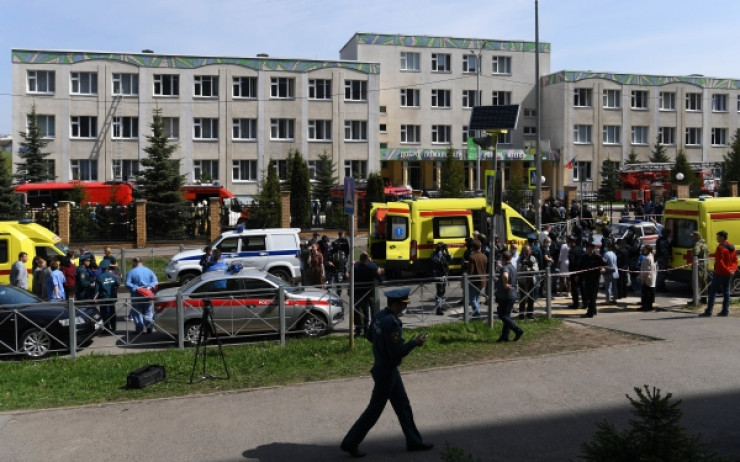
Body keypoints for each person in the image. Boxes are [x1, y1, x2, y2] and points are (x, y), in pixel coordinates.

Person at [340, 288, 432, 458]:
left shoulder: (379, 316)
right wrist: (415, 343)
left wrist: (382, 348)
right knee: (374, 410)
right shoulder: (393, 323)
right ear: (396, 305)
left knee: (403, 406)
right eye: (403, 305)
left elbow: (370, 336)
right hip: (387, 372)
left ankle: (414, 441)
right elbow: (396, 352)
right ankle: (350, 442)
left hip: (384, 367)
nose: (405, 308)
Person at [699, 231, 738, 317]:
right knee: (726, 291)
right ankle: (725, 311)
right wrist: (732, 269)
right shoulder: (731, 247)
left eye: (718, 237)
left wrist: (726, 270)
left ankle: (709, 311)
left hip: (720, 273)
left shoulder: (720, 248)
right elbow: (735, 260)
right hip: (729, 273)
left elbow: (720, 262)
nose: (717, 238)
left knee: (713, 291)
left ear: (722, 237)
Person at [495, 251, 524, 342]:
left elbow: (505, 275)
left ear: (503, 259)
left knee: (502, 315)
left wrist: (504, 284)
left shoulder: (505, 268)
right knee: (507, 316)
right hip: (512, 294)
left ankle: (517, 330)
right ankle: (505, 336)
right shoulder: (513, 267)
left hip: (506, 294)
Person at [126, 257, 159, 334]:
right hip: (147, 294)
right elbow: (155, 281)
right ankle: (149, 327)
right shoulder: (148, 271)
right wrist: (150, 287)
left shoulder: (131, 272)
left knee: (137, 312)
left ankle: (139, 329)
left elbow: (127, 283)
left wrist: (136, 288)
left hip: (136, 295)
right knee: (148, 311)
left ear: (134, 262)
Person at [353, 252, 382, 336]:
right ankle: (370, 328)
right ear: (367, 258)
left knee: (358, 311)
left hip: (357, 292)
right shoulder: (371, 266)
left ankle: (358, 329)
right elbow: (379, 277)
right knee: (371, 310)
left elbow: (349, 276)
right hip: (369, 292)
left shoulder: (355, 266)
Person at [580, 241, 605, 318]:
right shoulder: (584, 257)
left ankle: (590, 312)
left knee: (593, 296)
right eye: (587, 248)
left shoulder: (597, 257)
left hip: (595, 278)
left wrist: (603, 269)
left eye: (590, 248)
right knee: (588, 295)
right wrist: (578, 276)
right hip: (587, 278)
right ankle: (593, 309)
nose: (588, 249)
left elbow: (603, 265)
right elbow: (580, 267)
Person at [95, 259, 121, 333]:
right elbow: (118, 284)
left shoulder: (99, 277)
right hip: (112, 297)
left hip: (103, 297)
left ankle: (107, 328)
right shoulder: (112, 275)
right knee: (112, 312)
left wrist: (95, 297)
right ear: (108, 267)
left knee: (104, 313)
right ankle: (113, 327)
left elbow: (96, 289)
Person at [517, 244, 539, 320]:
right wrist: (523, 264)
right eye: (525, 250)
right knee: (523, 298)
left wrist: (530, 265)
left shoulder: (533, 258)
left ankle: (530, 314)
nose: (527, 252)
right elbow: (518, 269)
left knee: (531, 298)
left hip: (531, 279)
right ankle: (521, 314)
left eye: (528, 250)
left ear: (530, 251)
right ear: (523, 251)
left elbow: (536, 269)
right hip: (522, 280)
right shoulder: (520, 258)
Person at [467, 239, 487, 318]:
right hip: (483, 280)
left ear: (473, 247)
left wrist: (466, 278)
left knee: (472, 299)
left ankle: (477, 315)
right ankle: (477, 315)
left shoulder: (472, 257)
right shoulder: (484, 256)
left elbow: (471, 271)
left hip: (474, 281)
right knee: (477, 299)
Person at [431, 242, 451, 315]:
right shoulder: (434, 254)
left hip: (444, 274)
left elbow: (450, 259)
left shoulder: (444, 253)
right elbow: (437, 261)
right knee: (440, 291)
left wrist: (447, 250)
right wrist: (438, 252)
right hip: (438, 274)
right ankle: (438, 308)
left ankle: (441, 305)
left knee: (443, 291)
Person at [690, 231, 709, 303]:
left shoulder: (697, 244)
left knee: (696, 282)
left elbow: (695, 254)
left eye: (693, 236)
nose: (691, 237)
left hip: (698, 266)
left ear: (697, 236)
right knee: (704, 282)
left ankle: (696, 300)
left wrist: (692, 255)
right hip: (705, 266)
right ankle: (704, 298)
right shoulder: (705, 244)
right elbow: (708, 253)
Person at [638, 245, 657, 312]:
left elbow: (646, 270)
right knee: (650, 293)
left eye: (645, 249)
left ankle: (645, 306)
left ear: (648, 250)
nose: (644, 250)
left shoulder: (647, 259)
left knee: (646, 293)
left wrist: (643, 279)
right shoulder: (652, 257)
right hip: (652, 278)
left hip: (647, 278)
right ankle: (649, 306)